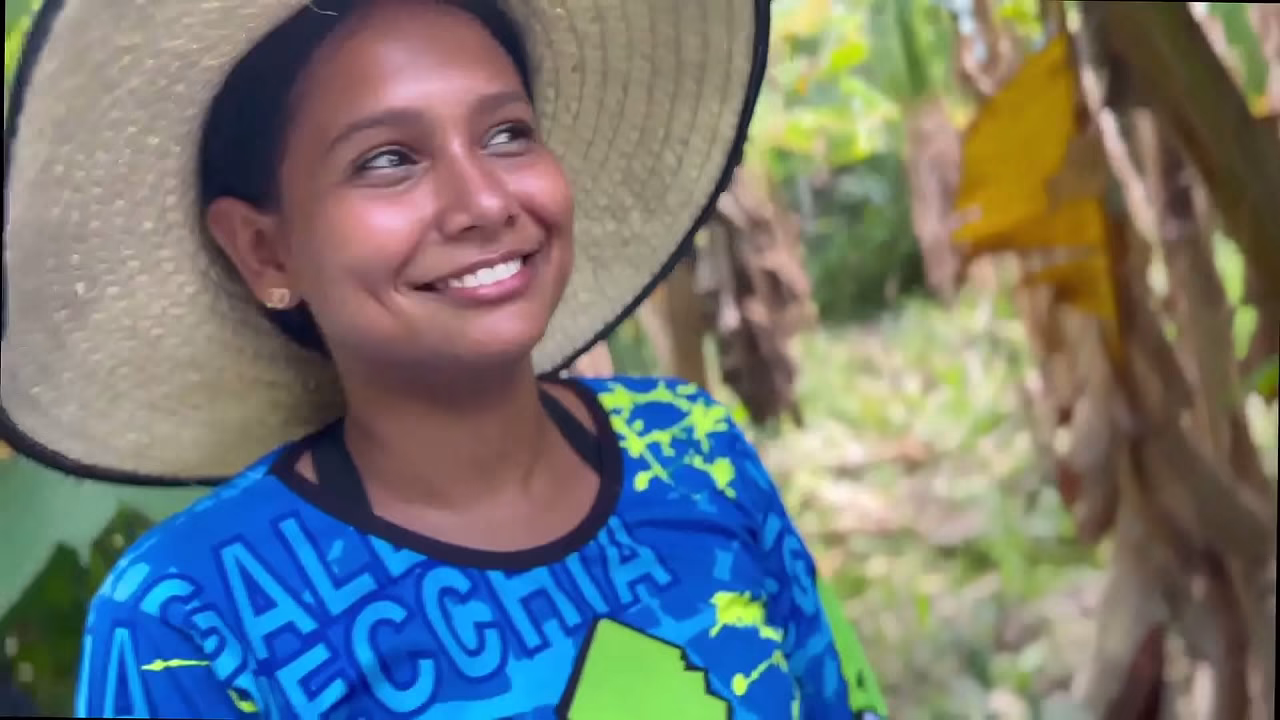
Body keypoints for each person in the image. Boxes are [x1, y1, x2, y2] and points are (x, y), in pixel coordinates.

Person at [2, 0, 888, 717]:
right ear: (265, 252)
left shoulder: (689, 448)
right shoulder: (192, 619)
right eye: (389, 160)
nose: (482, 200)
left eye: (507, 134)